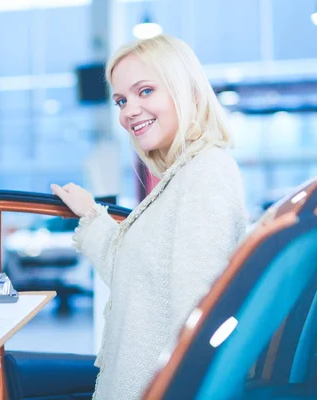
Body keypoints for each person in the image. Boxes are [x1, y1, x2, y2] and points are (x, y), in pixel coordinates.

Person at [51, 34, 247, 400]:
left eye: (145, 92)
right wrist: (91, 213)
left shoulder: (205, 173)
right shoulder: (180, 176)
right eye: (122, 100)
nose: (128, 111)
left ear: (189, 92)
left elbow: (195, 317)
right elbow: (136, 277)